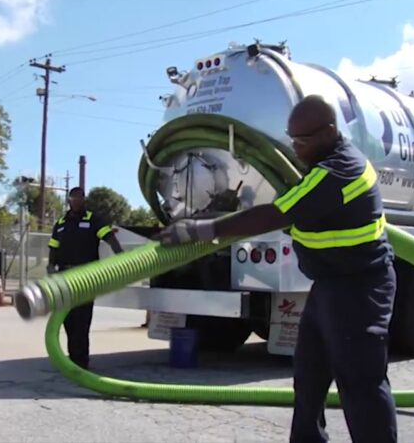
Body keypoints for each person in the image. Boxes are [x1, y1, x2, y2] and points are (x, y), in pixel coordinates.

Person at [156, 95, 398, 443]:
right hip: (330, 284)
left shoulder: (339, 170)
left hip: (359, 288)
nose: (296, 148)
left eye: (302, 141)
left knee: (360, 380)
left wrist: (203, 229)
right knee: (310, 374)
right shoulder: (322, 165)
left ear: (329, 132)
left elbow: (276, 213)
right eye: (292, 139)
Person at [47, 186, 123, 369]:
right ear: (69, 200)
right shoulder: (61, 223)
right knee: (67, 320)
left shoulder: (92, 220)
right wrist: (50, 266)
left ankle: (81, 362)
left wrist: (121, 255)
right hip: (64, 275)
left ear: (84, 200)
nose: (77, 201)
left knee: (82, 320)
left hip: (86, 277)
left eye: (80, 197)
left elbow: (109, 237)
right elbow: (53, 246)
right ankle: (71, 358)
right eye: (73, 198)